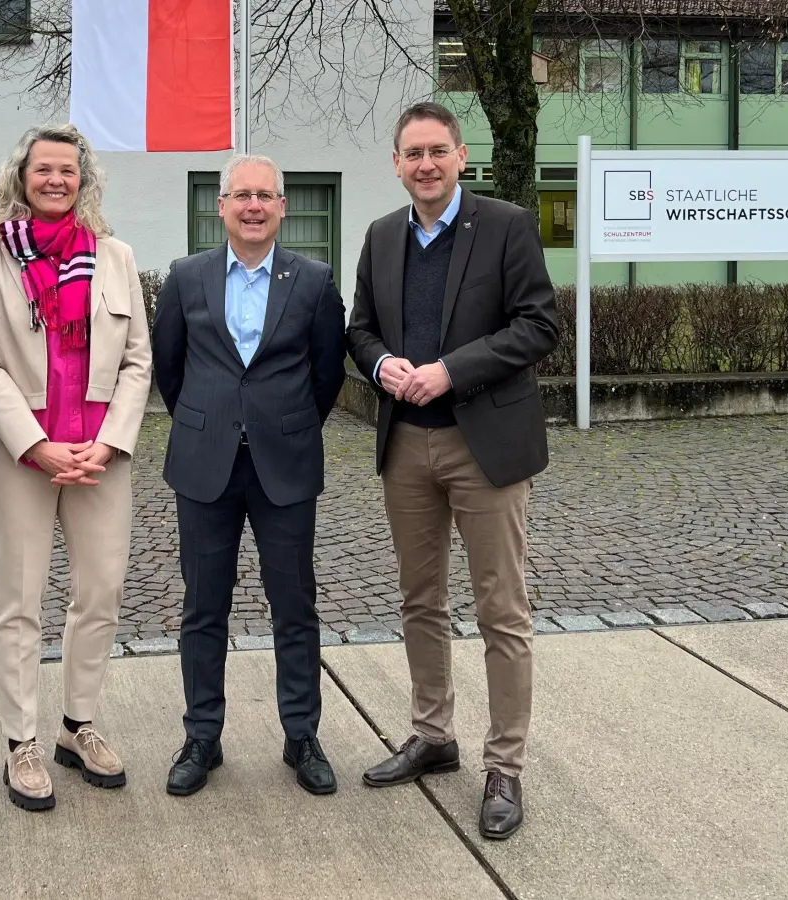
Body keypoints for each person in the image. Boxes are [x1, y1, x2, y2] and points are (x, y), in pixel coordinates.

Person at [346, 102, 560, 840]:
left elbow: (539, 325)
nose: (426, 164)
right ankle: (433, 735)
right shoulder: (380, 236)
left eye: (438, 151)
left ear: (461, 156)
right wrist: (380, 364)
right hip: (407, 443)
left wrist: (449, 370)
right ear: (398, 164)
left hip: (485, 446)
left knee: (502, 608)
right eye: (413, 153)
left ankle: (506, 765)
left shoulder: (505, 225)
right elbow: (359, 326)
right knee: (419, 599)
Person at [0, 124, 153, 812]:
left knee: (99, 590)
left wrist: (106, 441)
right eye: (42, 169)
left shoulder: (116, 256)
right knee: (19, 597)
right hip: (23, 454)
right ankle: (21, 741)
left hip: (100, 452)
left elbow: (138, 359)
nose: (55, 180)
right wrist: (36, 443)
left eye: (66, 171)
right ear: (22, 178)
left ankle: (78, 726)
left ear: (83, 179)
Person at [151, 154, 348, 798]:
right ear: (222, 206)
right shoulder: (185, 278)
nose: (254, 205)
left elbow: (326, 376)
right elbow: (169, 370)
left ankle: (301, 734)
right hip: (204, 465)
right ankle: (202, 735)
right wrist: (212, 421)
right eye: (242, 195)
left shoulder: (314, 281)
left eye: (266, 195)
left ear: (282, 206)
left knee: (294, 605)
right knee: (203, 607)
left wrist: (281, 423)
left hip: (283, 465)